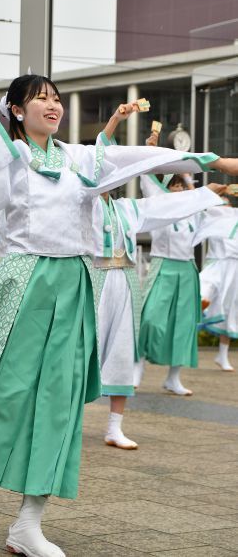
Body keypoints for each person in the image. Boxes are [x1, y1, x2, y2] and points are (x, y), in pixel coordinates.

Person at [0, 27, 238, 557]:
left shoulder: (80, 159)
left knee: (59, 402)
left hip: (74, 286)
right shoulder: (11, 156)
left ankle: (28, 523)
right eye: (39, 98)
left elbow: (147, 161)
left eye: (55, 98)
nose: (52, 105)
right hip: (20, 283)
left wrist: (212, 165)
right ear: (18, 112)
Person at [90, 122, 225, 449]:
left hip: (125, 281)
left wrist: (209, 192)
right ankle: (60, 418)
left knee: (123, 346)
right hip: (91, 281)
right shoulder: (84, 205)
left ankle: (114, 426)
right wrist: (118, 125)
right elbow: (109, 157)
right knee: (81, 349)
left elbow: (166, 205)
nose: (114, 177)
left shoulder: (127, 209)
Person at [134, 134, 229, 395]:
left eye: (181, 186)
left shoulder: (195, 208)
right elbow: (148, 180)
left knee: (183, 324)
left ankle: (173, 377)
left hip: (187, 269)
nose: (178, 190)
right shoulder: (160, 204)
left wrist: (195, 182)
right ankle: (137, 367)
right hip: (164, 265)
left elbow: (221, 213)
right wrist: (149, 149)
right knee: (151, 320)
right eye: (173, 185)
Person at [198, 196, 238, 371]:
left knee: (230, 310)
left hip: (234, 268)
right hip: (215, 264)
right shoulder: (209, 218)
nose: (224, 207)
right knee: (200, 296)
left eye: (226, 204)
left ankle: (222, 355)